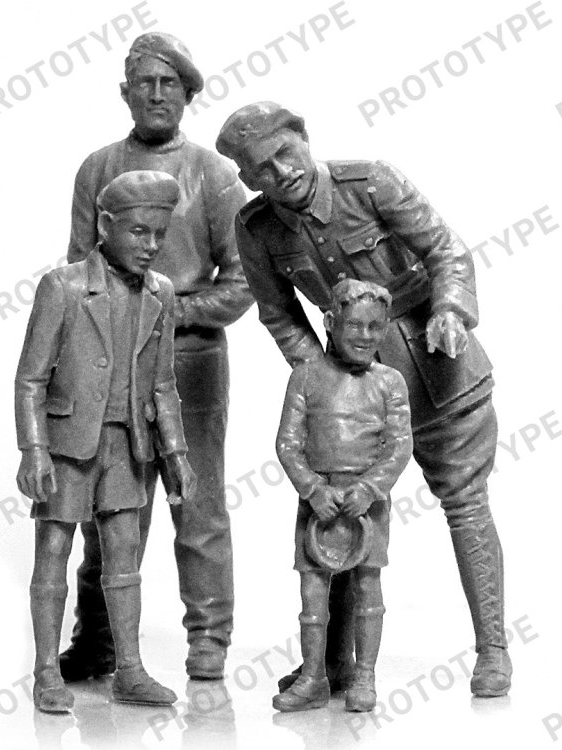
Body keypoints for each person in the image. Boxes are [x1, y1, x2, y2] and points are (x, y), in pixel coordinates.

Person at [216, 102, 512, 697]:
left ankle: (493, 651)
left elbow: (446, 251)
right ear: (248, 179)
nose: (281, 172)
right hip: (348, 404)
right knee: (340, 513)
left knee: (465, 504)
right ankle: (333, 666)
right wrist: (323, 380)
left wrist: (451, 310)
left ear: (305, 139)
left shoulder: (372, 182)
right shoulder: (257, 230)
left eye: (285, 154)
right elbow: (279, 314)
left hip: (439, 372)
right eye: (263, 169)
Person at [62, 32, 252, 681]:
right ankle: (99, 638)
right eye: (145, 81)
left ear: (188, 93)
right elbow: (78, 272)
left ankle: (209, 636)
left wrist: (170, 314)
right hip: (112, 364)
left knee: (197, 502)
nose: (157, 93)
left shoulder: (213, 174)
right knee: (109, 505)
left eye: (170, 82)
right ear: (125, 92)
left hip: (192, 362)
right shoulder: (97, 169)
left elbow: (243, 280)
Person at [15, 170, 196, 711]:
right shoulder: (63, 287)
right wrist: (34, 449)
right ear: (105, 225)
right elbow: (31, 378)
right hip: (68, 444)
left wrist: (176, 454)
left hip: (127, 445)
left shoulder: (161, 293)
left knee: (124, 557)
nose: (151, 245)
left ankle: (129, 669)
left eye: (160, 233)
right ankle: (47, 671)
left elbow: (163, 384)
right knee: (54, 549)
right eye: (139, 232)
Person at [275, 279, 412, 713]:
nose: (365, 336)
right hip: (317, 505)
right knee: (312, 594)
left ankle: (363, 675)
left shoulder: (390, 382)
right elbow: (287, 444)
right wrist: (313, 489)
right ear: (331, 323)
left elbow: (399, 446)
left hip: (367, 507)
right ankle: (313, 676)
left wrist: (369, 488)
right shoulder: (305, 376)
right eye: (355, 325)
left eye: (375, 327)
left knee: (368, 587)